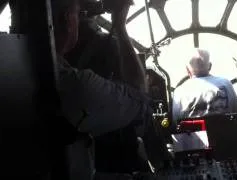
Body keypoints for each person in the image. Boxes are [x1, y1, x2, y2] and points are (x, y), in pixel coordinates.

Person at [50, 0, 168, 179]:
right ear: (67, 20)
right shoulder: (76, 84)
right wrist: (119, 25)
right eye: (77, 11)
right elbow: (139, 97)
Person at [172, 48, 237, 123]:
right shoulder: (226, 84)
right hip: (226, 134)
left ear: (187, 70)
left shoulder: (180, 91)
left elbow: (175, 122)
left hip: (191, 134)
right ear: (210, 66)